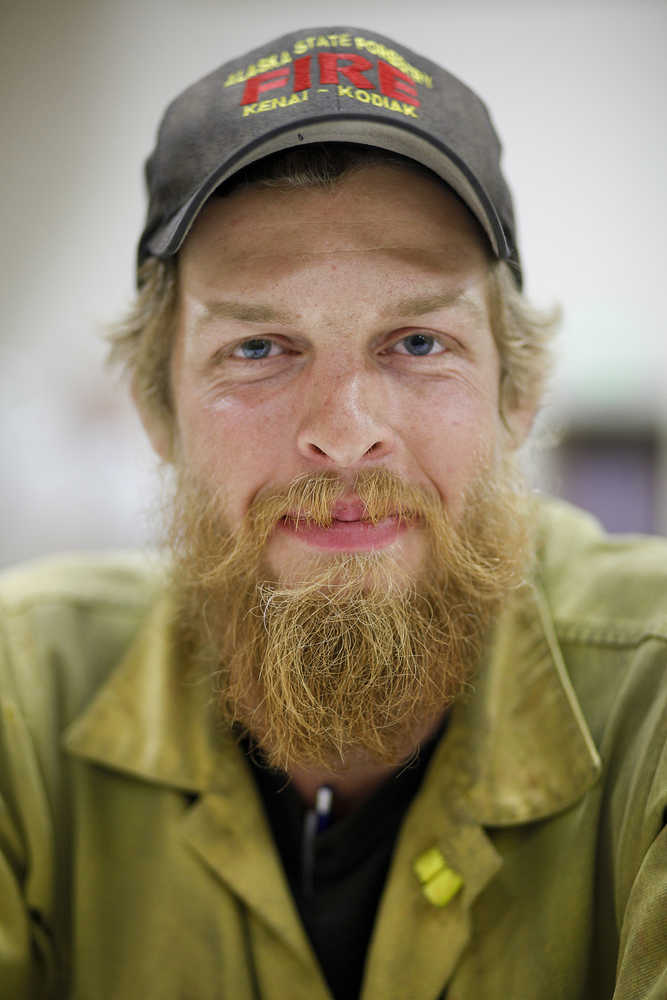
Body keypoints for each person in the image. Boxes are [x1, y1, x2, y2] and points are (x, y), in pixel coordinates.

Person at [1, 24, 665, 1000]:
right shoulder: (23, 703)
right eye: (261, 348)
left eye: (417, 342)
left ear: (516, 393)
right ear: (157, 406)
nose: (345, 432)